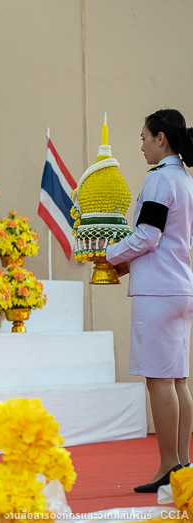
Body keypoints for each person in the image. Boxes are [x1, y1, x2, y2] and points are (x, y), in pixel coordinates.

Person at [106, 109, 193, 493]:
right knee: (178, 380)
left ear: (161, 138)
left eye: (143, 137)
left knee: (159, 381)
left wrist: (108, 255)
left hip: (158, 290)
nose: (140, 145)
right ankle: (184, 461)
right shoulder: (185, 180)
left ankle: (169, 465)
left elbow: (147, 236)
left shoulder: (160, 181)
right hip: (179, 286)